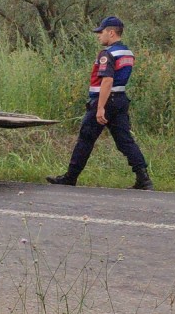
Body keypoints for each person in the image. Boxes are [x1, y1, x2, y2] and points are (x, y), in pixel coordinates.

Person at [47, 16, 153, 190]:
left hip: (104, 100)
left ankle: (70, 177)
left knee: (85, 139)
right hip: (120, 100)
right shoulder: (127, 53)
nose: (98, 36)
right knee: (125, 141)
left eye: (101, 32)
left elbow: (107, 81)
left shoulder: (107, 54)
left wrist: (100, 108)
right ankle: (144, 178)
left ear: (111, 33)